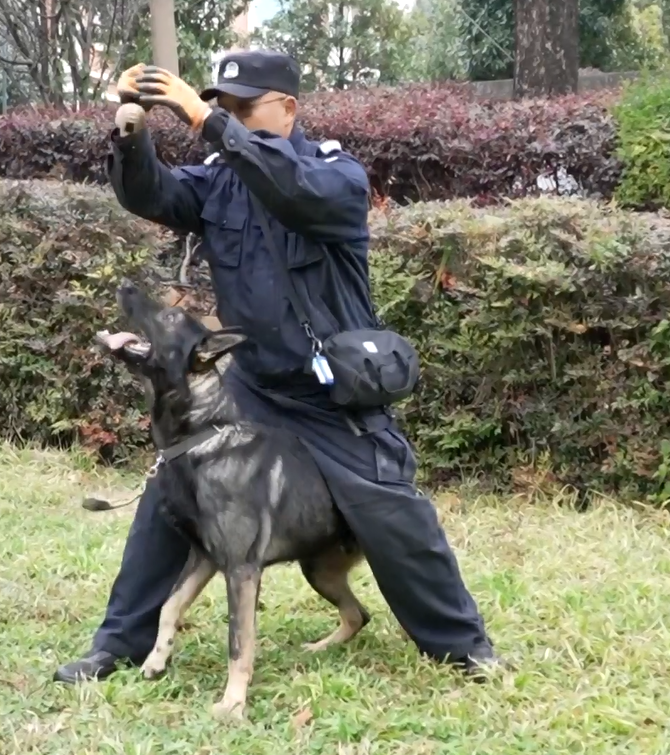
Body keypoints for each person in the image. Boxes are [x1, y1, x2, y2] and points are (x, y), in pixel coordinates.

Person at [53, 49, 504, 684]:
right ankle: (117, 645)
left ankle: (464, 647)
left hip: (332, 395)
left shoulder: (334, 174)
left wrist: (202, 119)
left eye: (243, 109)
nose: (226, 119)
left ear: (288, 109)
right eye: (221, 108)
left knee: (389, 511)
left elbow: (291, 190)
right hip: (253, 385)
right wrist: (133, 129)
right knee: (170, 491)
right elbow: (152, 192)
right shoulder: (219, 181)